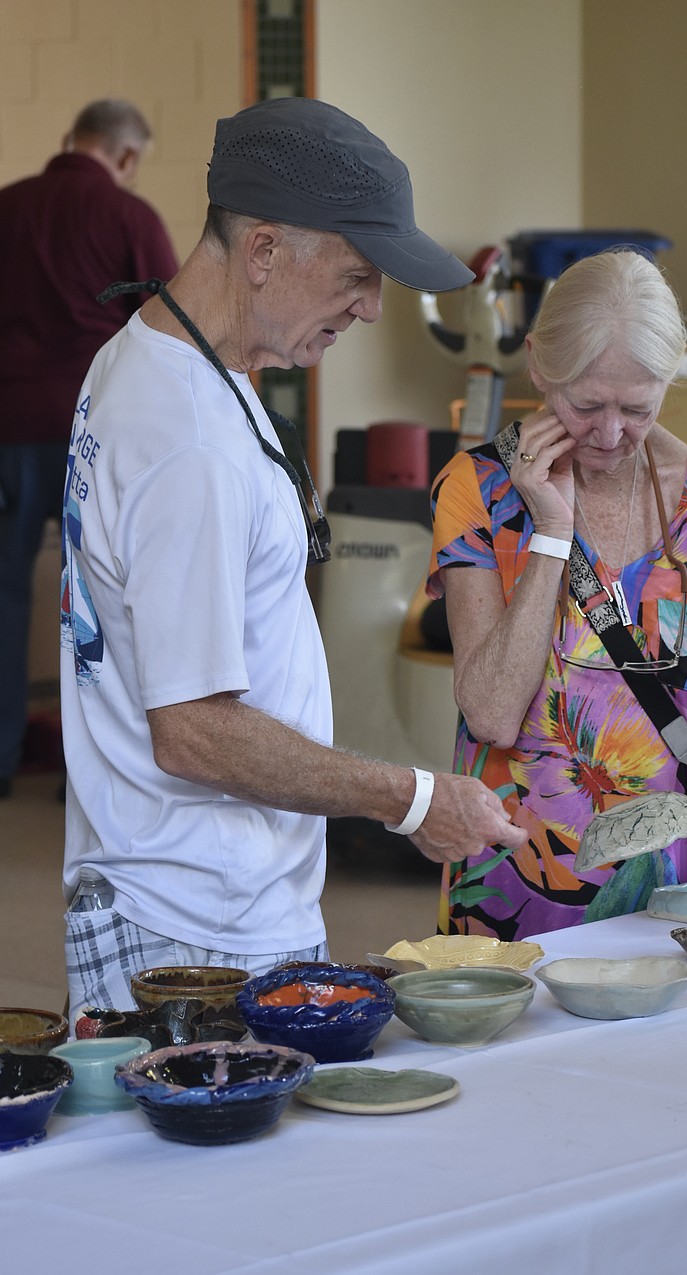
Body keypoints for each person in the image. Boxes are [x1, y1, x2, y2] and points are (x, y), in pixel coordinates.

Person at [60, 97, 526, 1022]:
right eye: (356, 275)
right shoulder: (187, 438)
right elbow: (192, 728)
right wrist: (409, 798)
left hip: (187, 895)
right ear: (264, 251)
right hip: (192, 931)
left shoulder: (156, 357)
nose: (369, 307)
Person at [428, 248, 687, 940]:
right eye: (585, 404)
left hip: (683, 899)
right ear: (540, 365)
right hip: (520, 897)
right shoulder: (476, 491)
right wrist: (550, 529)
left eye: (637, 407)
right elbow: (490, 713)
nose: (609, 434)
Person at [0, 98, 179, 798]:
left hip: (8, 433)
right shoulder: (130, 219)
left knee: (5, 597)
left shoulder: (8, 209)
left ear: (70, 139)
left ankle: (2, 760)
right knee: (96, 602)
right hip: (96, 439)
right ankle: (89, 765)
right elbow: (171, 324)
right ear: (127, 157)